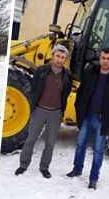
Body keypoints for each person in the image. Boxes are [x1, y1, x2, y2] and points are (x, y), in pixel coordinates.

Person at [66, 47, 109, 190]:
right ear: (100, 59)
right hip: (87, 116)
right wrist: (79, 107)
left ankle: (93, 179)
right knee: (80, 145)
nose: (105, 61)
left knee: (98, 150)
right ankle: (77, 169)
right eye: (103, 58)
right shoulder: (90, 72)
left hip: (102, 119)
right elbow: (80, 92)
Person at [14, 44, 73, 179]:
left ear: (65, 59)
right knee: (30, 139)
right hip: (39, 111)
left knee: (50, 143)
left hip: (55, 113)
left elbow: (66, 92)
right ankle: (23, 165)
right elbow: (34, 88)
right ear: (52, 56)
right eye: (57, 56)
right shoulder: (41, 71)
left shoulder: (67, 75)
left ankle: (44, 167)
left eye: (62, 57)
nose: (59, 60)